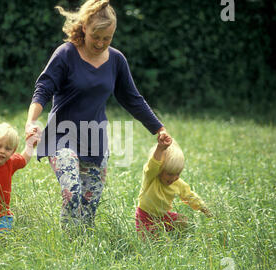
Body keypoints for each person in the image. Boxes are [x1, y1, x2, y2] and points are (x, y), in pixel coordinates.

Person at [26, 0, 169, 230]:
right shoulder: (66, 54)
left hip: (95, 140)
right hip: (62, 136)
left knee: (88, 210)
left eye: (107, 38)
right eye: (96, 36)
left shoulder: (116, 60)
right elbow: (43, 89)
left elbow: (132, 99)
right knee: (72, 194)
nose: (101, 43)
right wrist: (31, 121)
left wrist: (159, 129)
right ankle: (68, 250)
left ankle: (79, 252)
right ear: (84, 27)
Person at [136, 132, 212, 239]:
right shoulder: (152, 177)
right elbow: (153, 165)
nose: (173, 178)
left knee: (184, 222)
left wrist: (204, 208)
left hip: (163, 216)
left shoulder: (178, 183)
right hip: (145, 216)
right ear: (160, 170)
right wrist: (160, 148)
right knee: (152, 242)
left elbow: (190, 196)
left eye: (178, 174)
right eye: (170, 174)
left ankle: (180, 239)